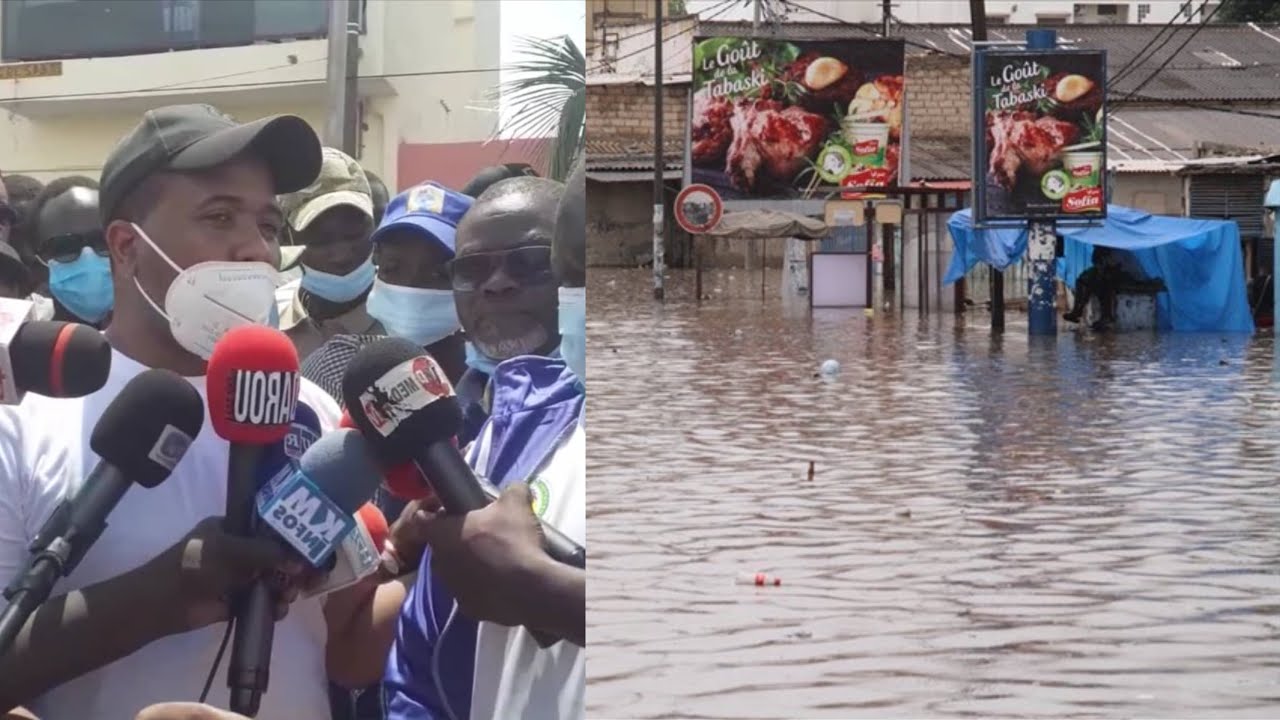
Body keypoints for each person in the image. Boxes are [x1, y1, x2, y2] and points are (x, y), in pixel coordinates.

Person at [0, 104, 405, 719]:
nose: (255, 249)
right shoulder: (24, 421)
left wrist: (426, 559)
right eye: (220, 218)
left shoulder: (311, 412)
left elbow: (343, 653)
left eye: (268, 224)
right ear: (126, 247)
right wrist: (163, 597)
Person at [383, 172, 581, 720]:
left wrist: (549, 593)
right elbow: (419, 671)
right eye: (471, 270)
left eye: (529, 262)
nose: (496, 285)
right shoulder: (480, 437)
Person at [276, 147, 380, 361]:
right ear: (288, 239)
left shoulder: (405, 321)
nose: (341, 255)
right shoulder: (268, 322)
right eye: (320, 241)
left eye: (354, 235)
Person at [30, 176, 114, 327]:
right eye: (65, 247)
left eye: (102, 241)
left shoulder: (163, 326)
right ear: (41, 260)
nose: (89, 257)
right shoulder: (19, 341)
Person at [1063, 245, 1159, 330]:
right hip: (1114, 274)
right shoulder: (1102, 252)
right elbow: (1099, 267)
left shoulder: (1116, 251)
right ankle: (1077, 311)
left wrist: (1101, 272)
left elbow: (1115, 268)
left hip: (1128, 276)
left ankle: (1106, 317)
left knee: (1104, 283)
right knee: (1084, 280)